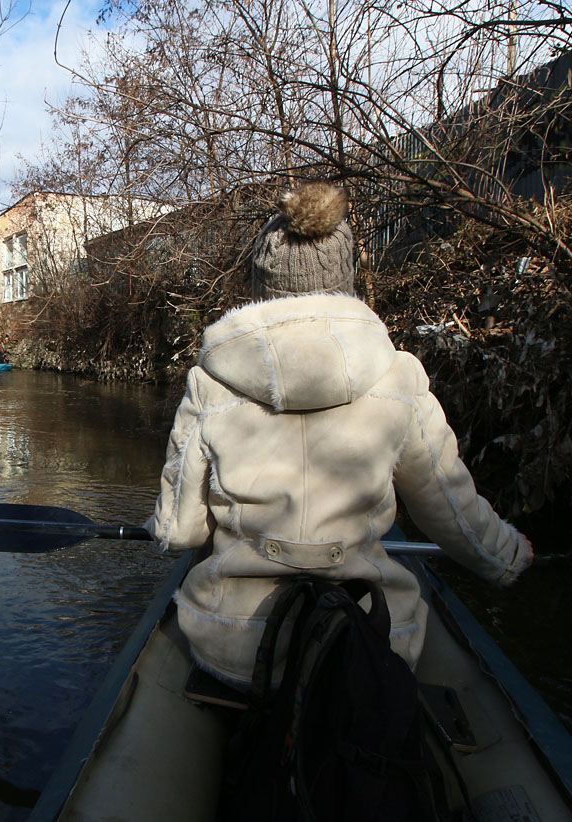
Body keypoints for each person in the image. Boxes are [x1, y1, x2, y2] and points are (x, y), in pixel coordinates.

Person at [145, 181, 532, 690]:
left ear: (262, 286)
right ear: (346, 280)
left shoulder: (209, 384)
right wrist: (507, 556)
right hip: (370, 638)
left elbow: (179, 533)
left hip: (233, 644)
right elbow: (449, 507)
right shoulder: (399, 376)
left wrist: (168, 526)